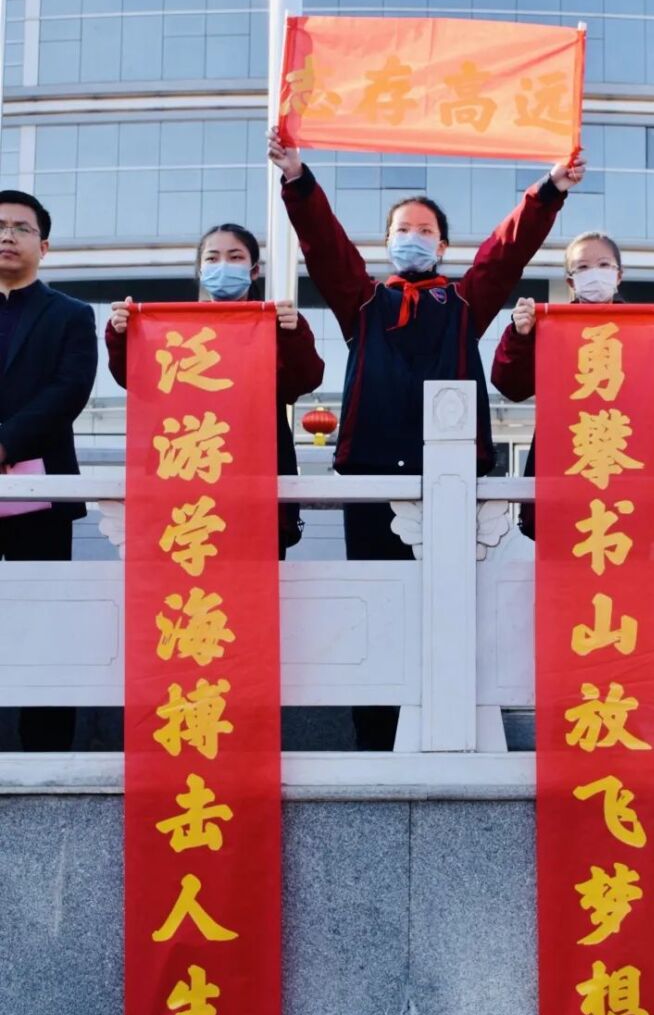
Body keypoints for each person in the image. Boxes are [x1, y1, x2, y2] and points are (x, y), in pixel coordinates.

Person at [267, 127, 586, 751]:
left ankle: (454, 733)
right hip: (371, 480)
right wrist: (299, 180)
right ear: (386, 243)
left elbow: (507, 251)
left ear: (442, 244)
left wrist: (550, 189)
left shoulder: (465, 302)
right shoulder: (362, 302)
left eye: (423, 230)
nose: (411, 239)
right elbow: (325, 246)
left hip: (456, 481)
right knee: (377, 609)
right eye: (401, 230)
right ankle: (374, 738)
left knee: (453, 611)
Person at [105, 222, 325, 559]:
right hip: (184, 482)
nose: (223, 265)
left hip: (253, 484)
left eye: (235, 257)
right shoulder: (173, 329)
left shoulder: (276, 323)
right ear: (199, 269)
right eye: (213, 258)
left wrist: (293, 334)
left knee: (252, 596)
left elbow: (304, 381)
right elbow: (137, 382)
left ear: (253, 271)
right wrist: (121, 335)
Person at [490, 230, 654, 539]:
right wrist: (520, 337)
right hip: (565, 478)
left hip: (631, 477)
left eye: (603, 265)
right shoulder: (548, 329)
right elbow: (510, 386)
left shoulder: (647, 329)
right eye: (582, 267)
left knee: (633, 578)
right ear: (570, 281)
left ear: (618, 275)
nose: (593, 274)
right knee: (563, 581)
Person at [0, 188, 98, 751]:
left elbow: (69, 391)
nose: (8, 236)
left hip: (41, 496)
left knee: (46, 627)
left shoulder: (69, 314)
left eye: (21, 227)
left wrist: (4, 443)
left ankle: (46, 751)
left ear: (45, 244)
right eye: (1, 227)